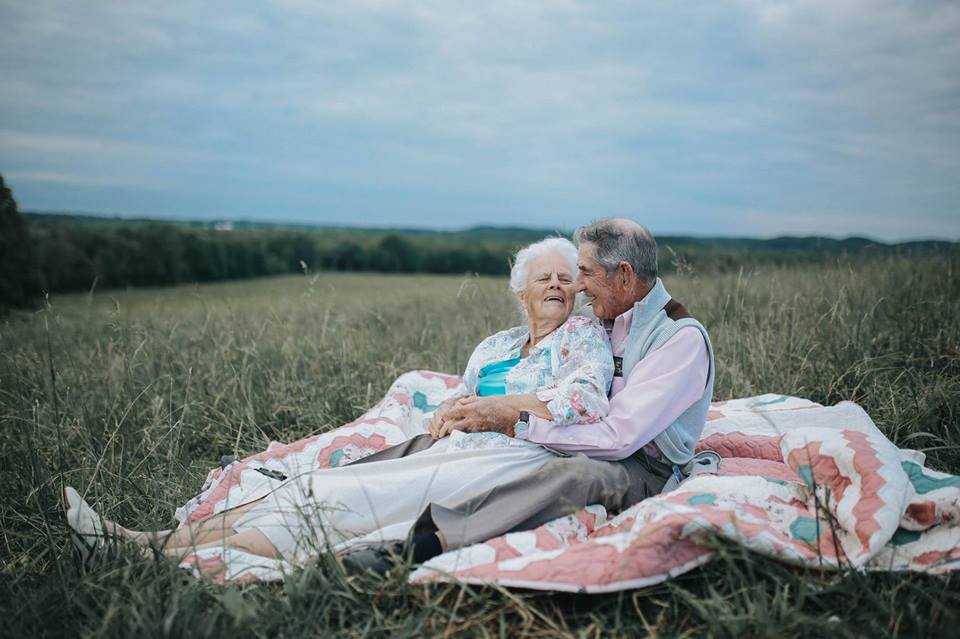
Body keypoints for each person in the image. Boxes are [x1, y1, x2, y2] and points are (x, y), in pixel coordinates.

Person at [64, 237, 617, 570]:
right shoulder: (494, 346)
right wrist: (450, 414)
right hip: (452, 448)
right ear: (521, 294)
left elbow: (585, 400)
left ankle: (157, 556)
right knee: (311, 486)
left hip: (508, 456)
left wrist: (501, 411)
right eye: (542, 277)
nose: (554, 285)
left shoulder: (583, 339)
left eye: (565, 279)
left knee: (337, 502)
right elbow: (458, 399)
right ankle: (147, 543)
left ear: (577, 292)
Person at [343, 216, 714, 573]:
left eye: (584, 272)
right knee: (438, 439)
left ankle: (423, 545)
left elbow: (619, 440)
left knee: (573, 475)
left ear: (624, 275)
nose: (577, 285)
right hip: (580, 435)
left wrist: (520, 423)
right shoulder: (605, 318)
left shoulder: (678, 340)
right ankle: (334, 488)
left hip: (642, 465)